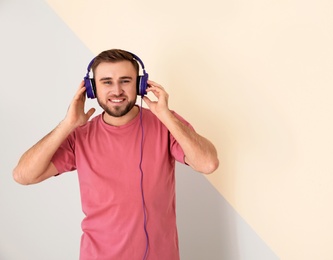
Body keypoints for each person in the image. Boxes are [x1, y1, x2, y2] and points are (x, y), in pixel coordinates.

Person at [13, 49, 219, 260]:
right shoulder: (79, 136)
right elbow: (23, 175)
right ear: (92, 89)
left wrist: (166, 115)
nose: (117, 90)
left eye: (125, 81)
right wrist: (67, 124)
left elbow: (208, 163)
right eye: (107, 82)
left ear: (140, 85)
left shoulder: (165, 124)